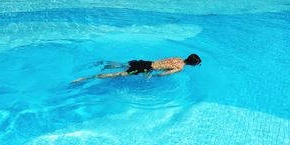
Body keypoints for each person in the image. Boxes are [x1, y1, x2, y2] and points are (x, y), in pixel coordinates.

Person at [72, 54, 201, 83]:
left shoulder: (178, 58)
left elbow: (163, 62)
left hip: (146, 62)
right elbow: (163, 74)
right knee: (118, 74)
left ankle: (105, 63)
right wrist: (152, 76)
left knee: (123, 64)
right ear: (193, 64)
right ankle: (86, 78)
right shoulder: (180, 67)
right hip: (146, 69)